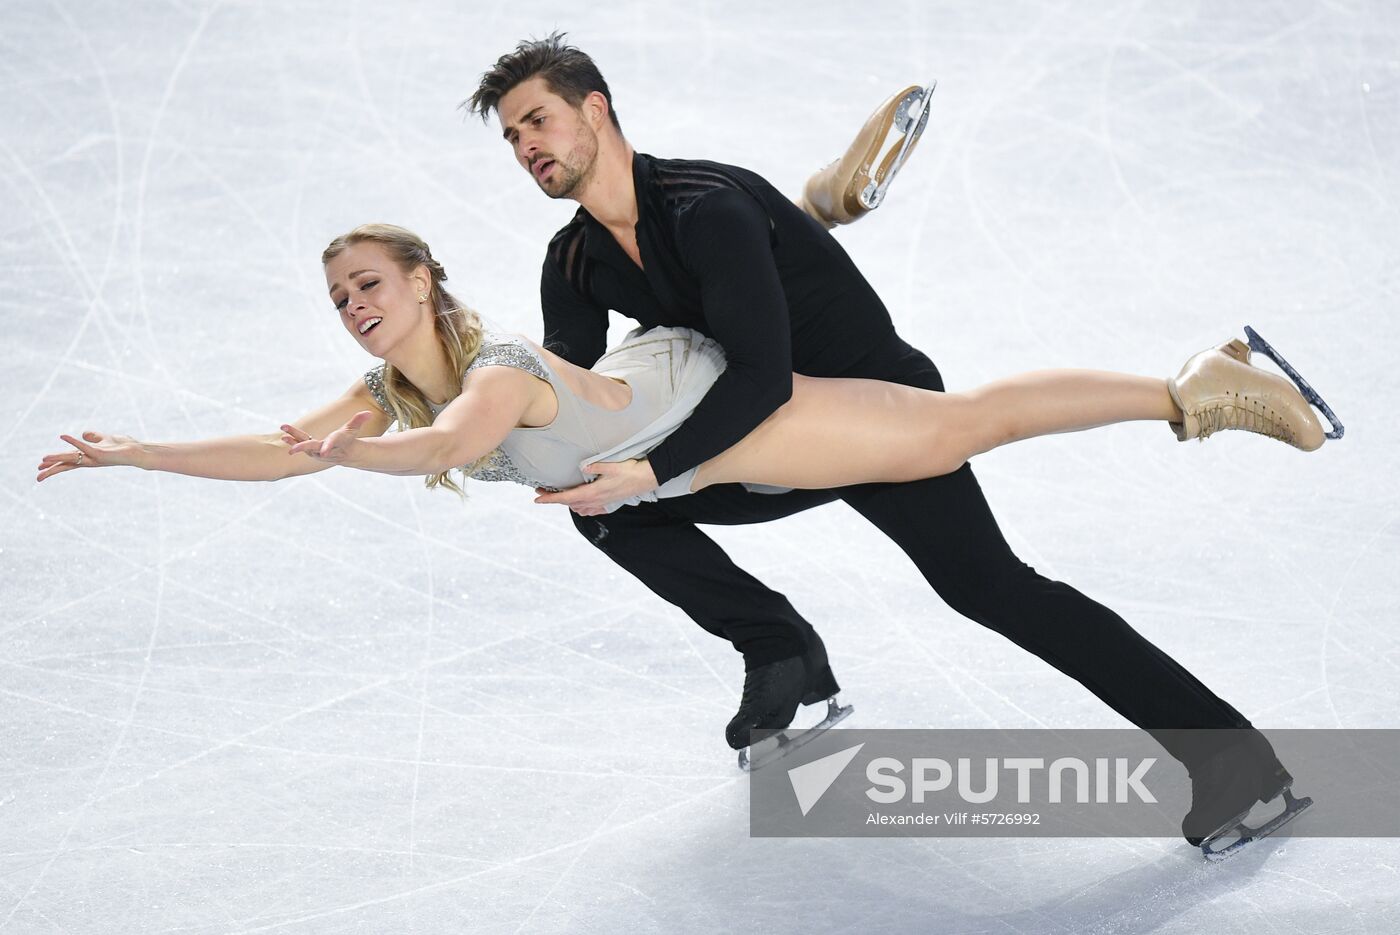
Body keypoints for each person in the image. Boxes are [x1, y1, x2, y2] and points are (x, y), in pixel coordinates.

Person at [38, 217, 1327, 847]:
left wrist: (355, 451)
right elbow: (285, 448)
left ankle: (1190, 386)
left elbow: (444, 445)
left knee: (967, 461)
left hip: (753, 422)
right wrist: (143, 449)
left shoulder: (488, 367)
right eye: (338, 300)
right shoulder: (395, 391)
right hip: (690, 465)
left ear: (423, 281)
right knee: (606, 514)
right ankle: (785, 657)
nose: (353, 311)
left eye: (368, 286)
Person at [462, 33, 1335, 850]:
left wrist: (652, 464)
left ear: (597, 109)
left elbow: (760, 377)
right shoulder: (571, 260)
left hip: (875, 412)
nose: (526, 146)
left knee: (992, 588)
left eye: (538, 120)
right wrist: (460, 408)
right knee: (608, 511)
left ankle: (1234, 762)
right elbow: (566, 388)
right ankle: (778, 646)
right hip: (765, 444)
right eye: (510, 138)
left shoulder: (706, 207)